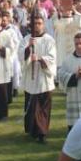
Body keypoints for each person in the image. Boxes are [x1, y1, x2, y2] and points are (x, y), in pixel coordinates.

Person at [20, 15, 57, 143]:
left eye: (39, 23)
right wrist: (28, 49)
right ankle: (33, 130)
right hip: (30, 78)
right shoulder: (26, 39)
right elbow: (20, 56)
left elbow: (52, 58)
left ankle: (42, 133)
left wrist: (40, 59)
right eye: (35, 23)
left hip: (43, 79)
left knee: (42, 107)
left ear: (43, 25)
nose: (37, 26)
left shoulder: (49, 40)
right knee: (32, 107)